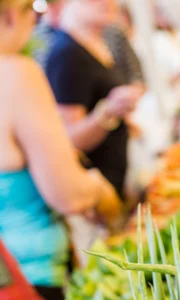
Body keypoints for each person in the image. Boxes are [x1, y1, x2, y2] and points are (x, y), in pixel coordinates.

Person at [0, 0, 121, 300]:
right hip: (23, 294)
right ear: (12, 15)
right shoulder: (13, 72)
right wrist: (102, 192)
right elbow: (65, 191)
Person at [46, 0, 142, 197]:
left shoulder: (98, 42)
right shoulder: (67, 54)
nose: (107, 2)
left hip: (114, 175)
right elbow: (70, 138)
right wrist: (109, 111)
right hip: (97, 189)